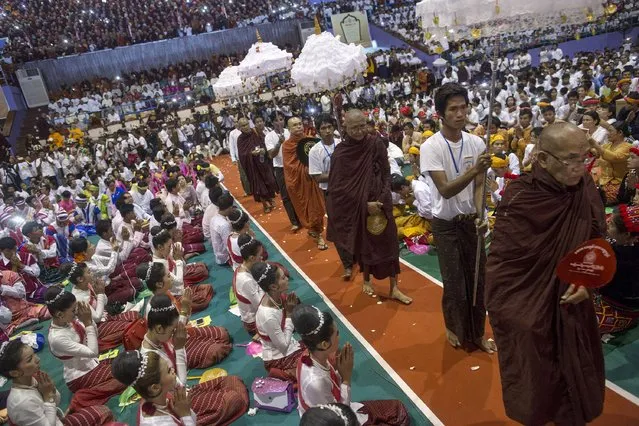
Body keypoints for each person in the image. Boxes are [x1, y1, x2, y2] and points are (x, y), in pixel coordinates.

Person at [485, 122, 606, 425]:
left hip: (571, 298)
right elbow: (504, 263)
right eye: (571, 159)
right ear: (542, 159)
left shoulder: (584, 187)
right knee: (537, 376)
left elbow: (595, 239)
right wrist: (515, 313)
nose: (580, 166)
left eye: (584, 157)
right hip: (530, 303)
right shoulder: (522, 196)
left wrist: (586, 282)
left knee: (573, 373)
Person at [419, 83, 495, 352]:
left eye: (464, 107)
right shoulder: (431, 147)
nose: (460, 114)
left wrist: (480, 213)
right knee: (454, 283)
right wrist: (475, 169)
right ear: (441, 113)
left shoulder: (476, 142)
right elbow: (446, 190)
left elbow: (479, 187)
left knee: (478, 280)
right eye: (453, 109)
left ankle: (477, 333)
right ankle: (454, 327)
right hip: (445, 225)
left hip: (470, 222)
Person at [327, 109, 411, 304]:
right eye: (354, 127)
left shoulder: (376, 144)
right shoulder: (341, 154)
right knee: (366, 245)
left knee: (390, 244)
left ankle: (394, 287)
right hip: (360, 207)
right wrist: (365, 205)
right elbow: (338, 188)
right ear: (345, 128)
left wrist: (381, 200)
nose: (359, 131)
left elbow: (386, 173)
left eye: (362, 126)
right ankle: (367, 279)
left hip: (381, 202)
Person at [138, 295, 248, 424]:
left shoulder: (162, 335)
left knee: (232, 380)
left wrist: (185, 310)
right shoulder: (152, 358)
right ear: (159, 328)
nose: (174, 333)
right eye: (172, 331)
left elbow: (177, 330)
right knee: (233, 399)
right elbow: (180, 386)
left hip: (181, 389)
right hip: (179, 400)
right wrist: (179, 348)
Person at [293, 304, 409, 425]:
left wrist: (338, 369)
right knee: (399, 417)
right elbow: (340, 415)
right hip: (336, 420)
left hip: (332, 407)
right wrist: (346, 378)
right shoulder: (316, 382)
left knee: (396, 408)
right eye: (336, 333)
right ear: (324, 344)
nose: (339, 336)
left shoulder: (310, 354)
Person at [45, 286, 127, 413]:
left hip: (93, 362)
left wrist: (88, 322)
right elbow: (92, 352)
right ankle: (83, 397)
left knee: (125, 362)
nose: (76, 312)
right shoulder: (57, 338)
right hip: (79, 376)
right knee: (125, 375)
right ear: (60, 314)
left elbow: (94, 334)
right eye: (73, 310)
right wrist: (88, 322)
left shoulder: (68, 320)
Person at [1, 337, 115, 426]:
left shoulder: (32, 378)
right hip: (54, 420)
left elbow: (57, 401)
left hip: (56, 420)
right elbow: (92, 352)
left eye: (34, 354)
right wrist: (48, 398)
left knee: (104, 411)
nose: (38, 359)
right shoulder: (22, 402)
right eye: (30, 359)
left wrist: (51, 390)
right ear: (15, 373)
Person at [308, 114, 353, 279]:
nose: (327, 131)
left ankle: (356, 256)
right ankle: (347, 264)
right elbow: (317, 176)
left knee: (354, 223)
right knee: (338, 229)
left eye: (329, 127)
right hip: (331, 193)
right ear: (318, 131)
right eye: (323, 128)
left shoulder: (343, 144)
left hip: (350, 190)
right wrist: (338, 173)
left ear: (334, 127)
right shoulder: (315, 151)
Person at [62, 261, 140, 352]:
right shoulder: (78, 298)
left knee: (135, 316)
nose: (91, 274)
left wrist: (101, 292)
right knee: (130, 327)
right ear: (80, 279)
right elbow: (97, 318)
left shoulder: (88, 285)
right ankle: (101, 342)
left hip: (105, 316)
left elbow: (105, 302)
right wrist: (100, 294)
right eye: (88, 272)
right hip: (96, 327)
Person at [251, 261, 303, 383]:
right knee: (315, 365)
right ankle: (280, 373)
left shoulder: (276, 296)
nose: (287, 279)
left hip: (288, 345)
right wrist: (289, 315)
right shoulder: (268, 315)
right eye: (283, 278)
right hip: (278, 357)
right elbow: (284, 347)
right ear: (273, 287)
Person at [283, 117, 328, 250]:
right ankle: (316, 233)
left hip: (314, 180)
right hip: (300, 182)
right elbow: (290, 166)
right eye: (294, 125)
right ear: (289, 129)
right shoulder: (287, 146)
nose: (298, 127)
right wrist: (308, 169)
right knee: (309, 209)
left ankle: (316, 230)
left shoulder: (310, 140)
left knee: (319, 207)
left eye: (300, 124)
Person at [595, 204, 639, 335]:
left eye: (612, 223)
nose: (608, 222)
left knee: (579, 321)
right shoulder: (620, 243)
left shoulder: (627, 261)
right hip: (606, 293)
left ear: (626, 235)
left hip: (622, 309)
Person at [265, 111, 300, 230]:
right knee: (286, 196)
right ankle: (294, 221)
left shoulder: (289, 132)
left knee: (298, 192)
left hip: (294, 166)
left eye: (281, 119)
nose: (279, 122)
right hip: (280, 168)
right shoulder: (269, 136)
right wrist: (279, 143)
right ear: (272, 123)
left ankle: (302, 216)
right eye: (276, 120)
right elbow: (271, 155)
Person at [236, 117, 277, 213]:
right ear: (240, 127)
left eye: (246, 124)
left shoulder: (256, 132)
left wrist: (263, 149)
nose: (245, 127)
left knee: (269, 180)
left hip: (262, 162)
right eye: (243, 126)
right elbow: (242, 154)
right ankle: (265, 204)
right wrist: (251, 153)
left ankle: (270, 199)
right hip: (252, 166)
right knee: (258, 184)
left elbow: (264, 142)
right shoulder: (240, 139)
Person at [232, 234, 266, 336]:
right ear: (251, 258)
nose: (262, 258)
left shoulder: (240, 269)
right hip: (255, 323)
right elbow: (263, 306)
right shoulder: (246, 280)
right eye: (260, 255)